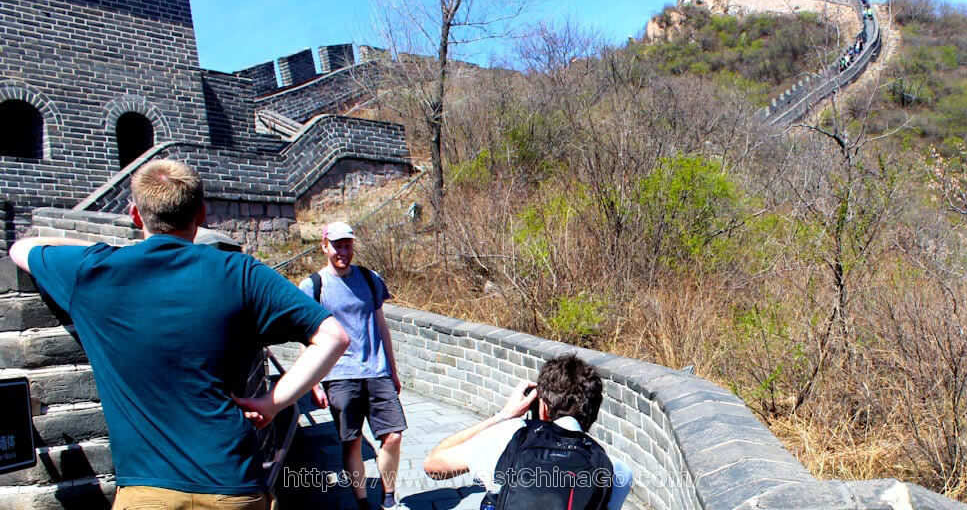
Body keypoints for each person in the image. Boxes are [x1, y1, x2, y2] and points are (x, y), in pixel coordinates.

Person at [9, 159, 349, 510]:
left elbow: (21, 248)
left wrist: (97, 248)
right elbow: (334, 337)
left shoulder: (92, 271)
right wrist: (273, 403)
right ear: (201, 214)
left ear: (136, 215)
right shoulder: (240, 273)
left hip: (147, 490)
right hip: (231, 484)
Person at [423, 354, 633, 510]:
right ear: (595, 412)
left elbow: (433, 464)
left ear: (542, 406)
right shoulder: (617, 471)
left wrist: (503, 415)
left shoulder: (504, 438)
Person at [299, 221, 406, 510]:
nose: (343, 251)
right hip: (339, 375)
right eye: (337, 245)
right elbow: (308, 337)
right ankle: (361, 502)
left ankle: (388, 498)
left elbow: (382, 326)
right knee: (353, 442)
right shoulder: (312, 286)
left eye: (348, 245)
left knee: (393, 436)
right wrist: (312, 383)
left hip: (377, 371)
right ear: (324, 246)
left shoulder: (370, 279)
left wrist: (393, 370)